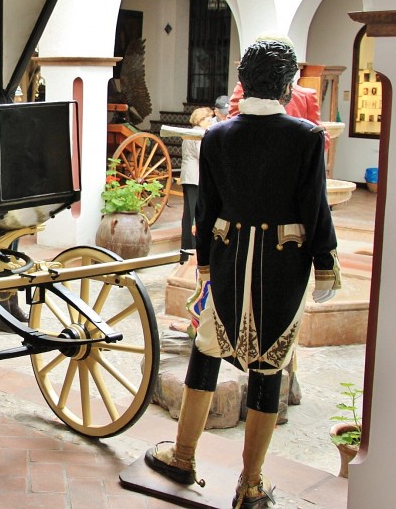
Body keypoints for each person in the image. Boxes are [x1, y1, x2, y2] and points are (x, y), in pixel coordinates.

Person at [144, 38, 340, 508]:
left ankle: (183, 456)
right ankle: (250, 485)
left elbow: (207, 210)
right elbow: (315, 207)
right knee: (269, 368)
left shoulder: (217, 136)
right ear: (288, 85)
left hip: (228, 259)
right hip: (283, 264)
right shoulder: (306, 137)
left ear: (242, 82)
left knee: (207, 350)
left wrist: (204, 262)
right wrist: (325, 263)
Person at [178, 107, 214, 263]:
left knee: (188, 214)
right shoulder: (198, 134)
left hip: (188, 175)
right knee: (194, 214)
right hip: (195, 177)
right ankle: (192, 250)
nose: (210, 122)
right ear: (201, 120)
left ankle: (185, 251)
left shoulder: (190, 133)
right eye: (208, 119)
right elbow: (202, 155)